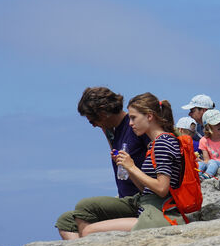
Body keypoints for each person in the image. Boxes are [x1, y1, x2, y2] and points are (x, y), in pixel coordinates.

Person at [74, 92, 188, 236]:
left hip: (159, 212)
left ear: (149, 116)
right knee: (74, 220)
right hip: (148, 206)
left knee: (89, 230)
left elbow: (162, 189)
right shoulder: (154, 145)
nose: (130, 123)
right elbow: (143, 188)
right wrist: (128, 167)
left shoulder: (162, 143)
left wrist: (132, 167)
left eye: (133, 118)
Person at [55, 87, 150, 240]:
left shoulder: (135, 127)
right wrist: (106, 131)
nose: (92, 125)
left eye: (93, 120)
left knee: (84, 207)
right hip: (125, 198)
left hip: (139, 198)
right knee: (65, 222)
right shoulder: (113, 132)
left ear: (103, 114)